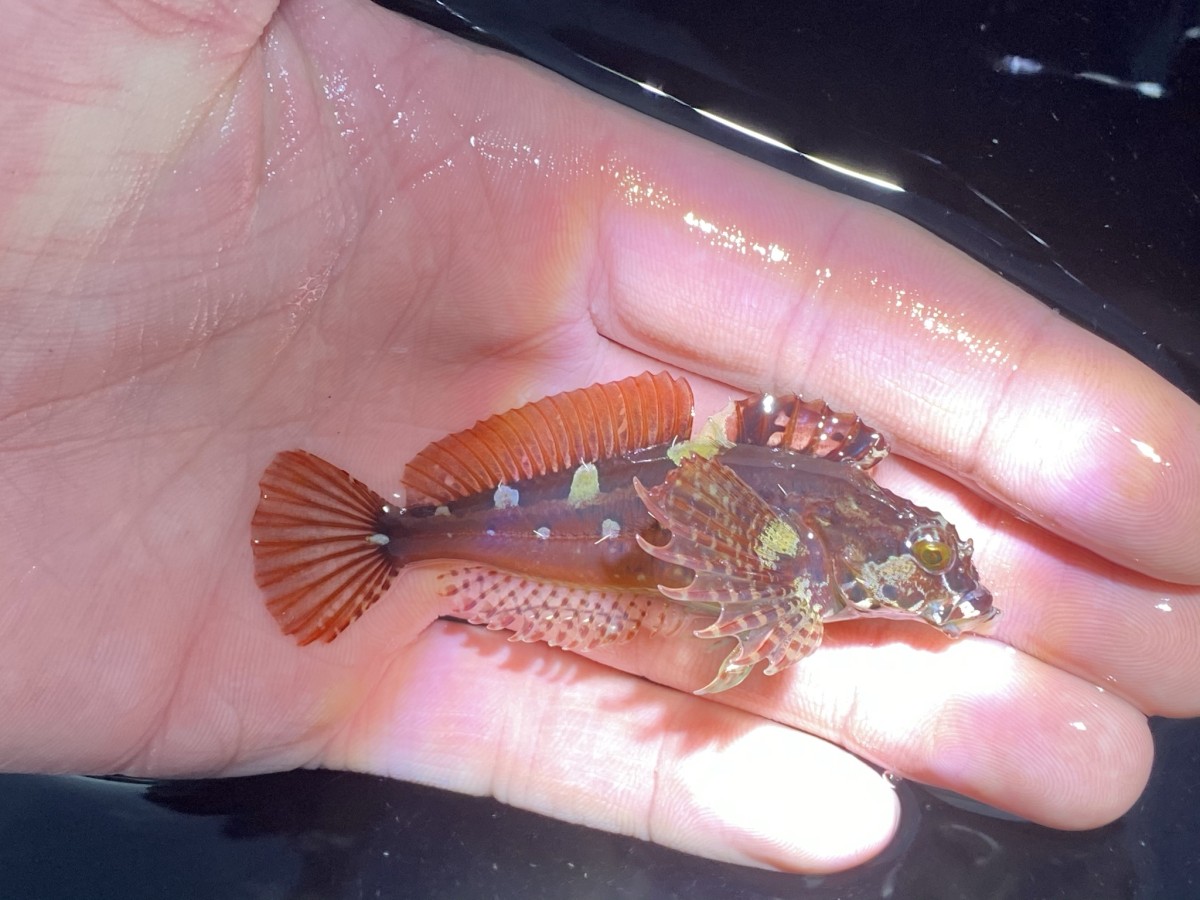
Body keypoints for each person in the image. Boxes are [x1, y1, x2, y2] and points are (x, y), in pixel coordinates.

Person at [2, 0, 1197, 874]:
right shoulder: (805, 558)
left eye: (940, 568)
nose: (948, 586)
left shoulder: (824, 537)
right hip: (613, 524)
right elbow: (743, 530)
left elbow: (748, 500)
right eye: (935, 563)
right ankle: (392, 538)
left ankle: (405, 542)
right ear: (870, 554)